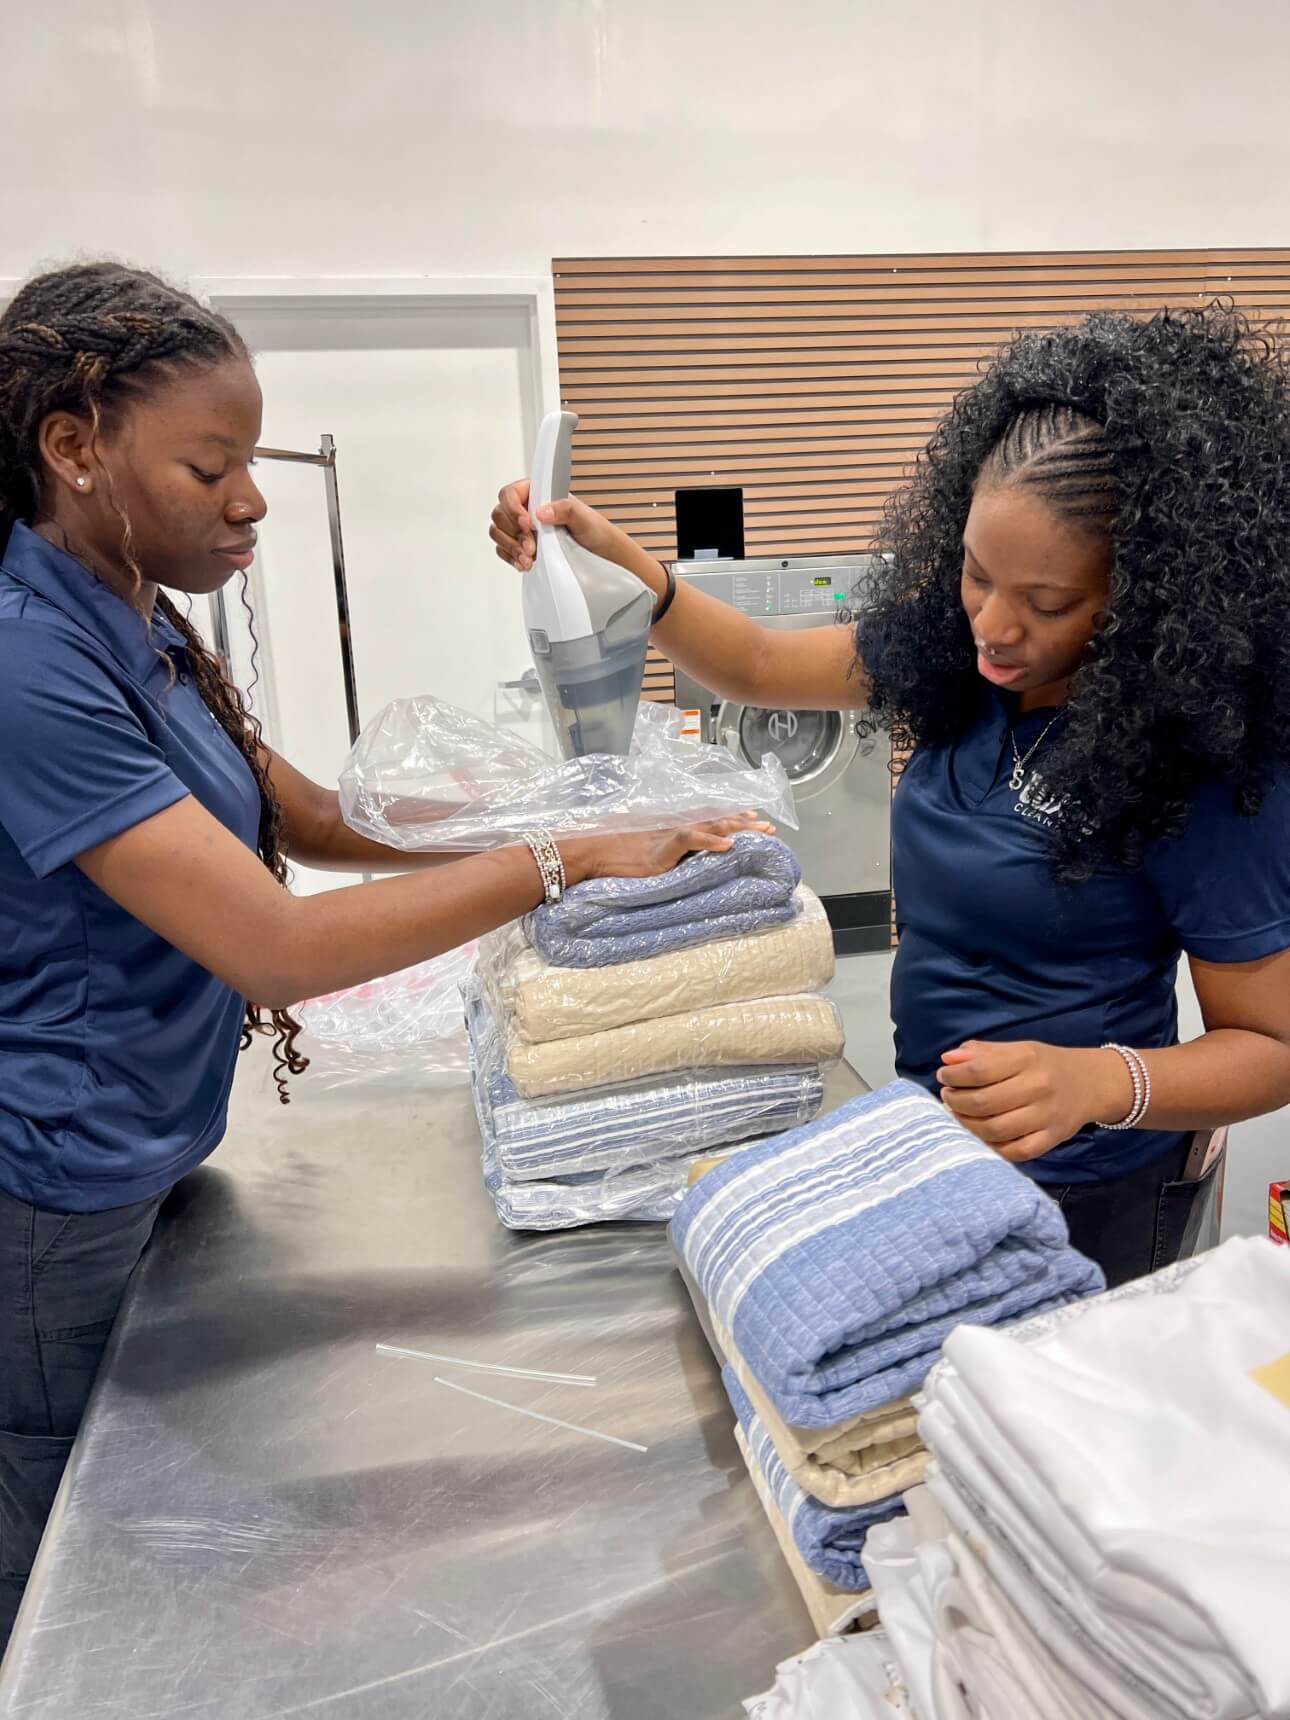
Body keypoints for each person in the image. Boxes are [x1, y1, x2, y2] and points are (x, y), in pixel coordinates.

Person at [0, 261, 764, 1646]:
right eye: (211, 467)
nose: (253, 499)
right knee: (63, 1550)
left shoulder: (131, 608)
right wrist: (559, 861)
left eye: (252, 460)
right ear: (72, 447)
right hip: (49, 1187)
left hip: (144, 1139)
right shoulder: (27, 661)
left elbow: (298, 814)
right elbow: (276, 947)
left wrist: (546, 806)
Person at [492, 302, 1290, 1289]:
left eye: (1046, 604)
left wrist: (1098, 1081)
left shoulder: (1200, 765)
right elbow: (757, 664)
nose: (994, 626)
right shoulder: (954, 661)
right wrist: (624, 569)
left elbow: (1270, 1045)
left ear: (1149, 597)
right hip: (934, 1140)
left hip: (1093, 1189)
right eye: (976, 575)